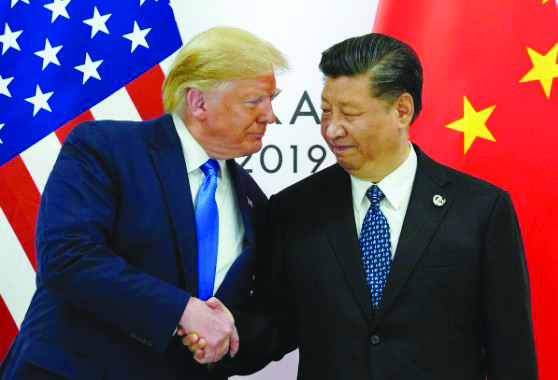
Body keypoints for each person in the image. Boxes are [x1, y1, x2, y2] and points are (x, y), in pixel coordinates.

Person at [190, 33, 538, 379]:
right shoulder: (293, 210)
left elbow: (510, 349)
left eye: (350, 113)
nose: (332, 129)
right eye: (326, 111)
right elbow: (276, 322)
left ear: (402, 110)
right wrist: (222, 335)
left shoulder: (481, 210)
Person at [0, 26, 287, 380]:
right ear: (198, 103)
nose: (270, 115)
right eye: (253, 101)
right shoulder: (105, 148)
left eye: (272, 100)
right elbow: (67, 256)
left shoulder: (255, 202)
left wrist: (225, 330)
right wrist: (183, 311)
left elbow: (264, 315)